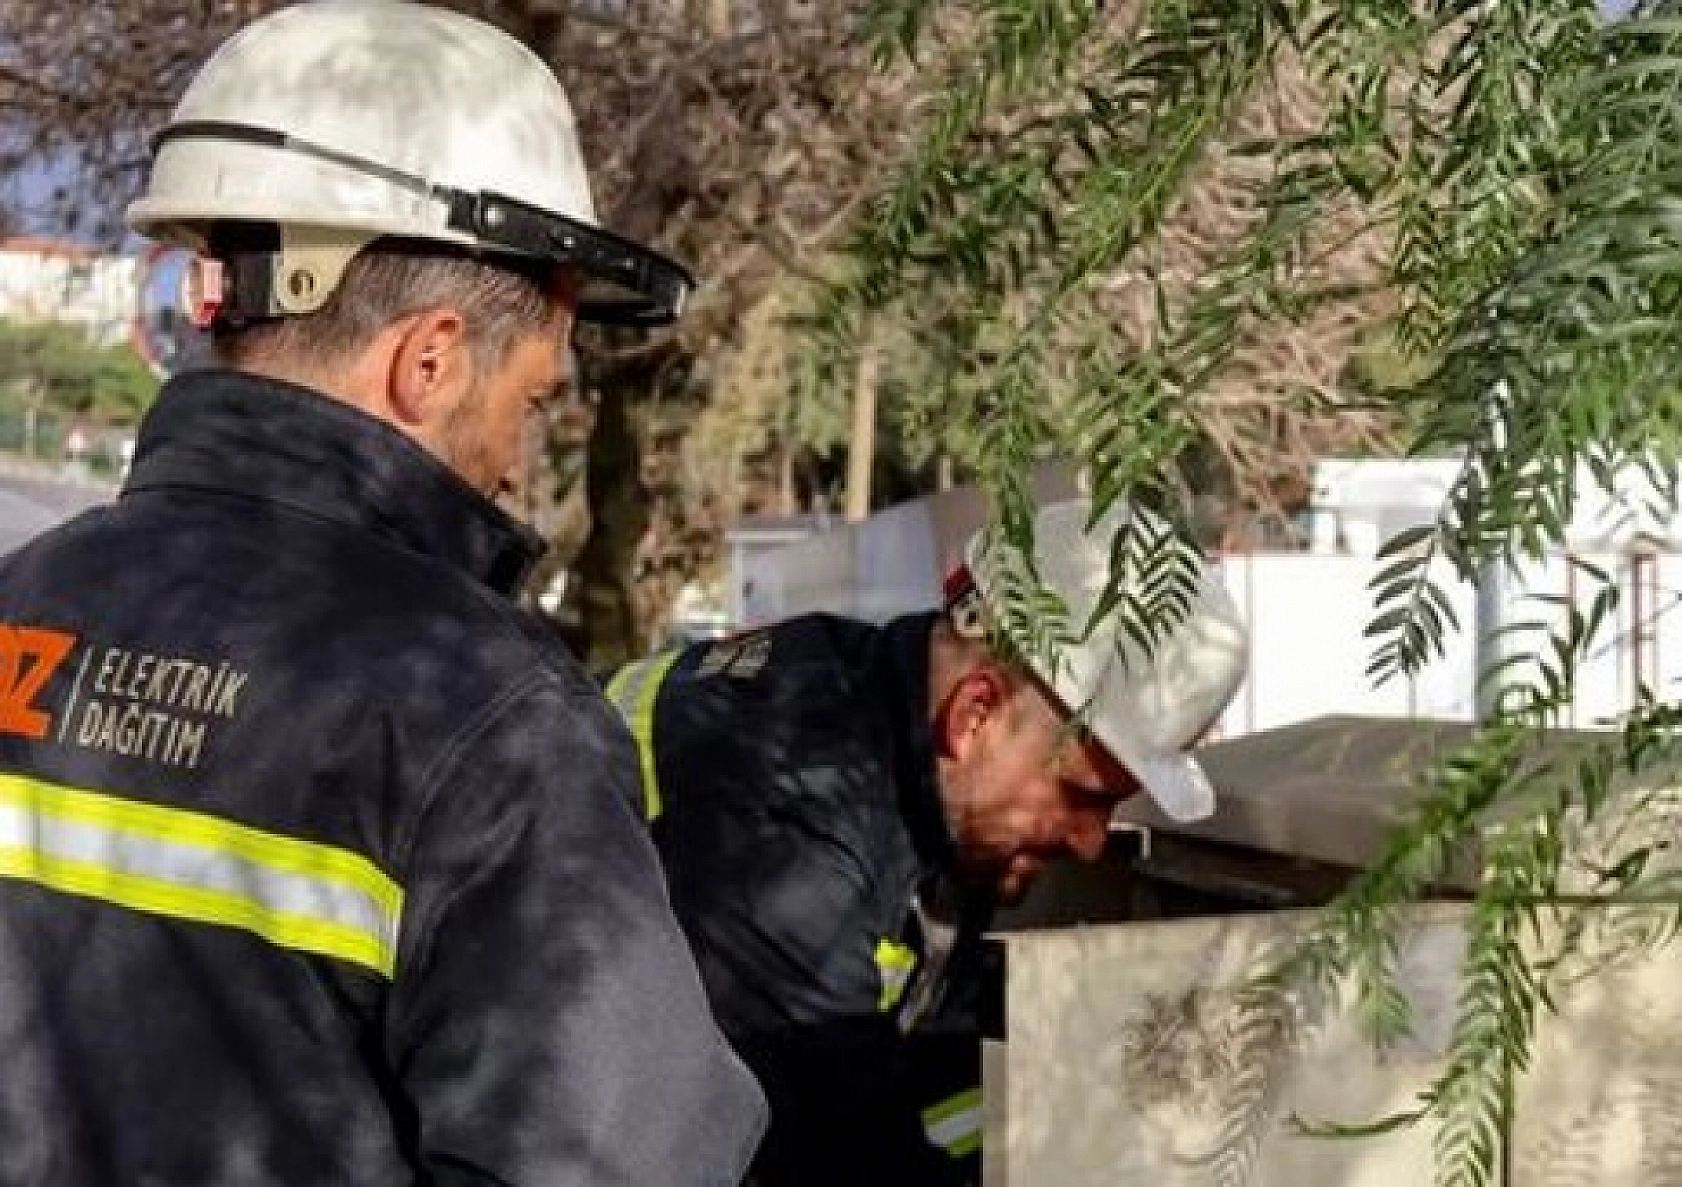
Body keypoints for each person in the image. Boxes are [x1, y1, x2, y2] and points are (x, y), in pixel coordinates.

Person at [0, 3, 765, 1184]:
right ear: (429, 359)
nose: (518, 462)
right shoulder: (488, 721)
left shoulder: (19, 601)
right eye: (535, 398)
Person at [603, 495, 1251, 1185]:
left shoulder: (901, 735)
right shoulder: (790, 836)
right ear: (976, 715)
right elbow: (844, 1153)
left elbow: (929, 1081)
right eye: (1081, 796)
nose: (1093, 843)